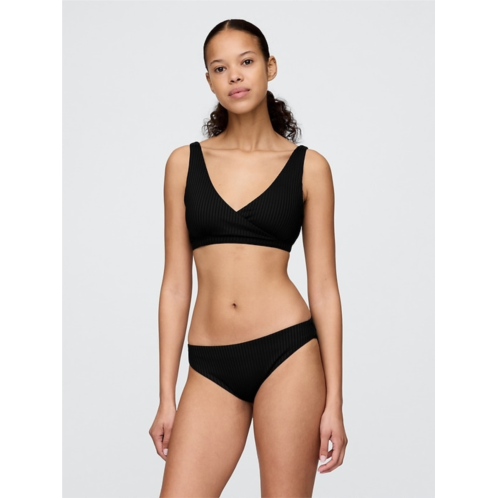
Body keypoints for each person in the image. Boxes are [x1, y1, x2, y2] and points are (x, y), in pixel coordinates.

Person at [149, 19, 348, 498]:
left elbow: (324, 288)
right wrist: (166, 396)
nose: (234, 75)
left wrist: (335, 403)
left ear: (269, 67)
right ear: (209, 81)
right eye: (220, 68)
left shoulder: (310, 168)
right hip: (210, 364)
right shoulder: (183, 164)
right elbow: (175, 285)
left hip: (289, 354)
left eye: (246, 61)